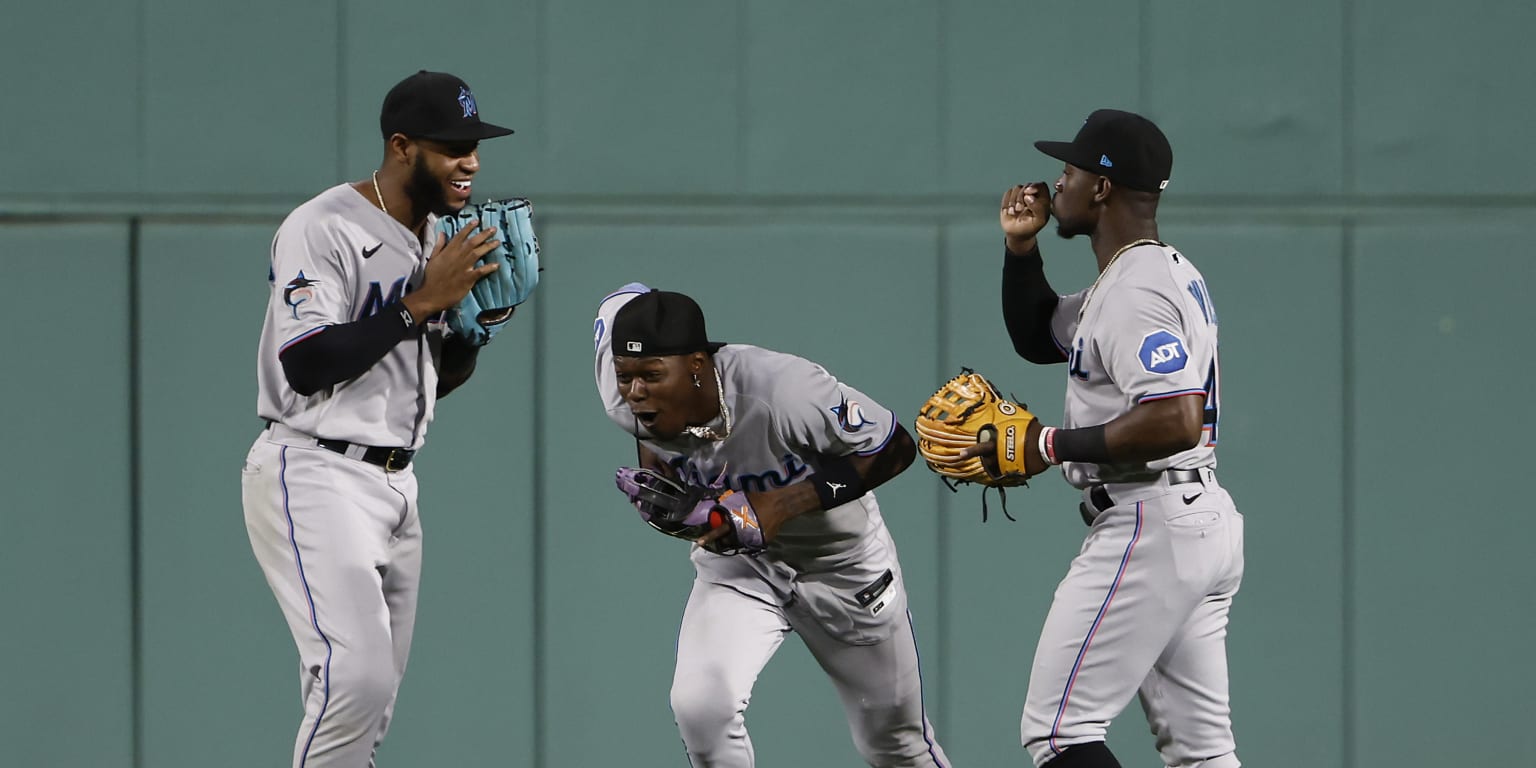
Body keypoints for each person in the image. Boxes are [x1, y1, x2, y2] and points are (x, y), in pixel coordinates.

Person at [240, 70, 516, 767]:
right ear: (401, 147)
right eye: (452, 147)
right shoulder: (323, 225)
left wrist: (469, 334)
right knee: (352, 679)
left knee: (372, 701)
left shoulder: (436, 240)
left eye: (474, 145)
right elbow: (305, 364)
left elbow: (426, 382)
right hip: (313, 469)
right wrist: (421, 303)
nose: (471, 162)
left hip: (395, 481)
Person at [592, 286, 952, 768]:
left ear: (698, 364)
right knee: (701, 707)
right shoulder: (623, 395)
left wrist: (779, 505)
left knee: (896, 746)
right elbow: (622, 299)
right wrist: (668, 492)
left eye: (652, 376)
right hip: (744, 569)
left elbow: (894, 447)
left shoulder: (783, 390)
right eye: (625, 376)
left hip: (843, 569)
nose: (634, 392)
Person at [986, 109, 1245, 768]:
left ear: (1101, 187)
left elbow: (1174, 417)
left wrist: (1049, 445)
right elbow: (1039, 333)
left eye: (1068, 171)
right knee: (1203, 755)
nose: (1056, 184)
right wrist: (1022, 250)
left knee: (1058, 731)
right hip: (1192, 518)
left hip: (1150, 518)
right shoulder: (1147, 276)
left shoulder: (1136, 287)